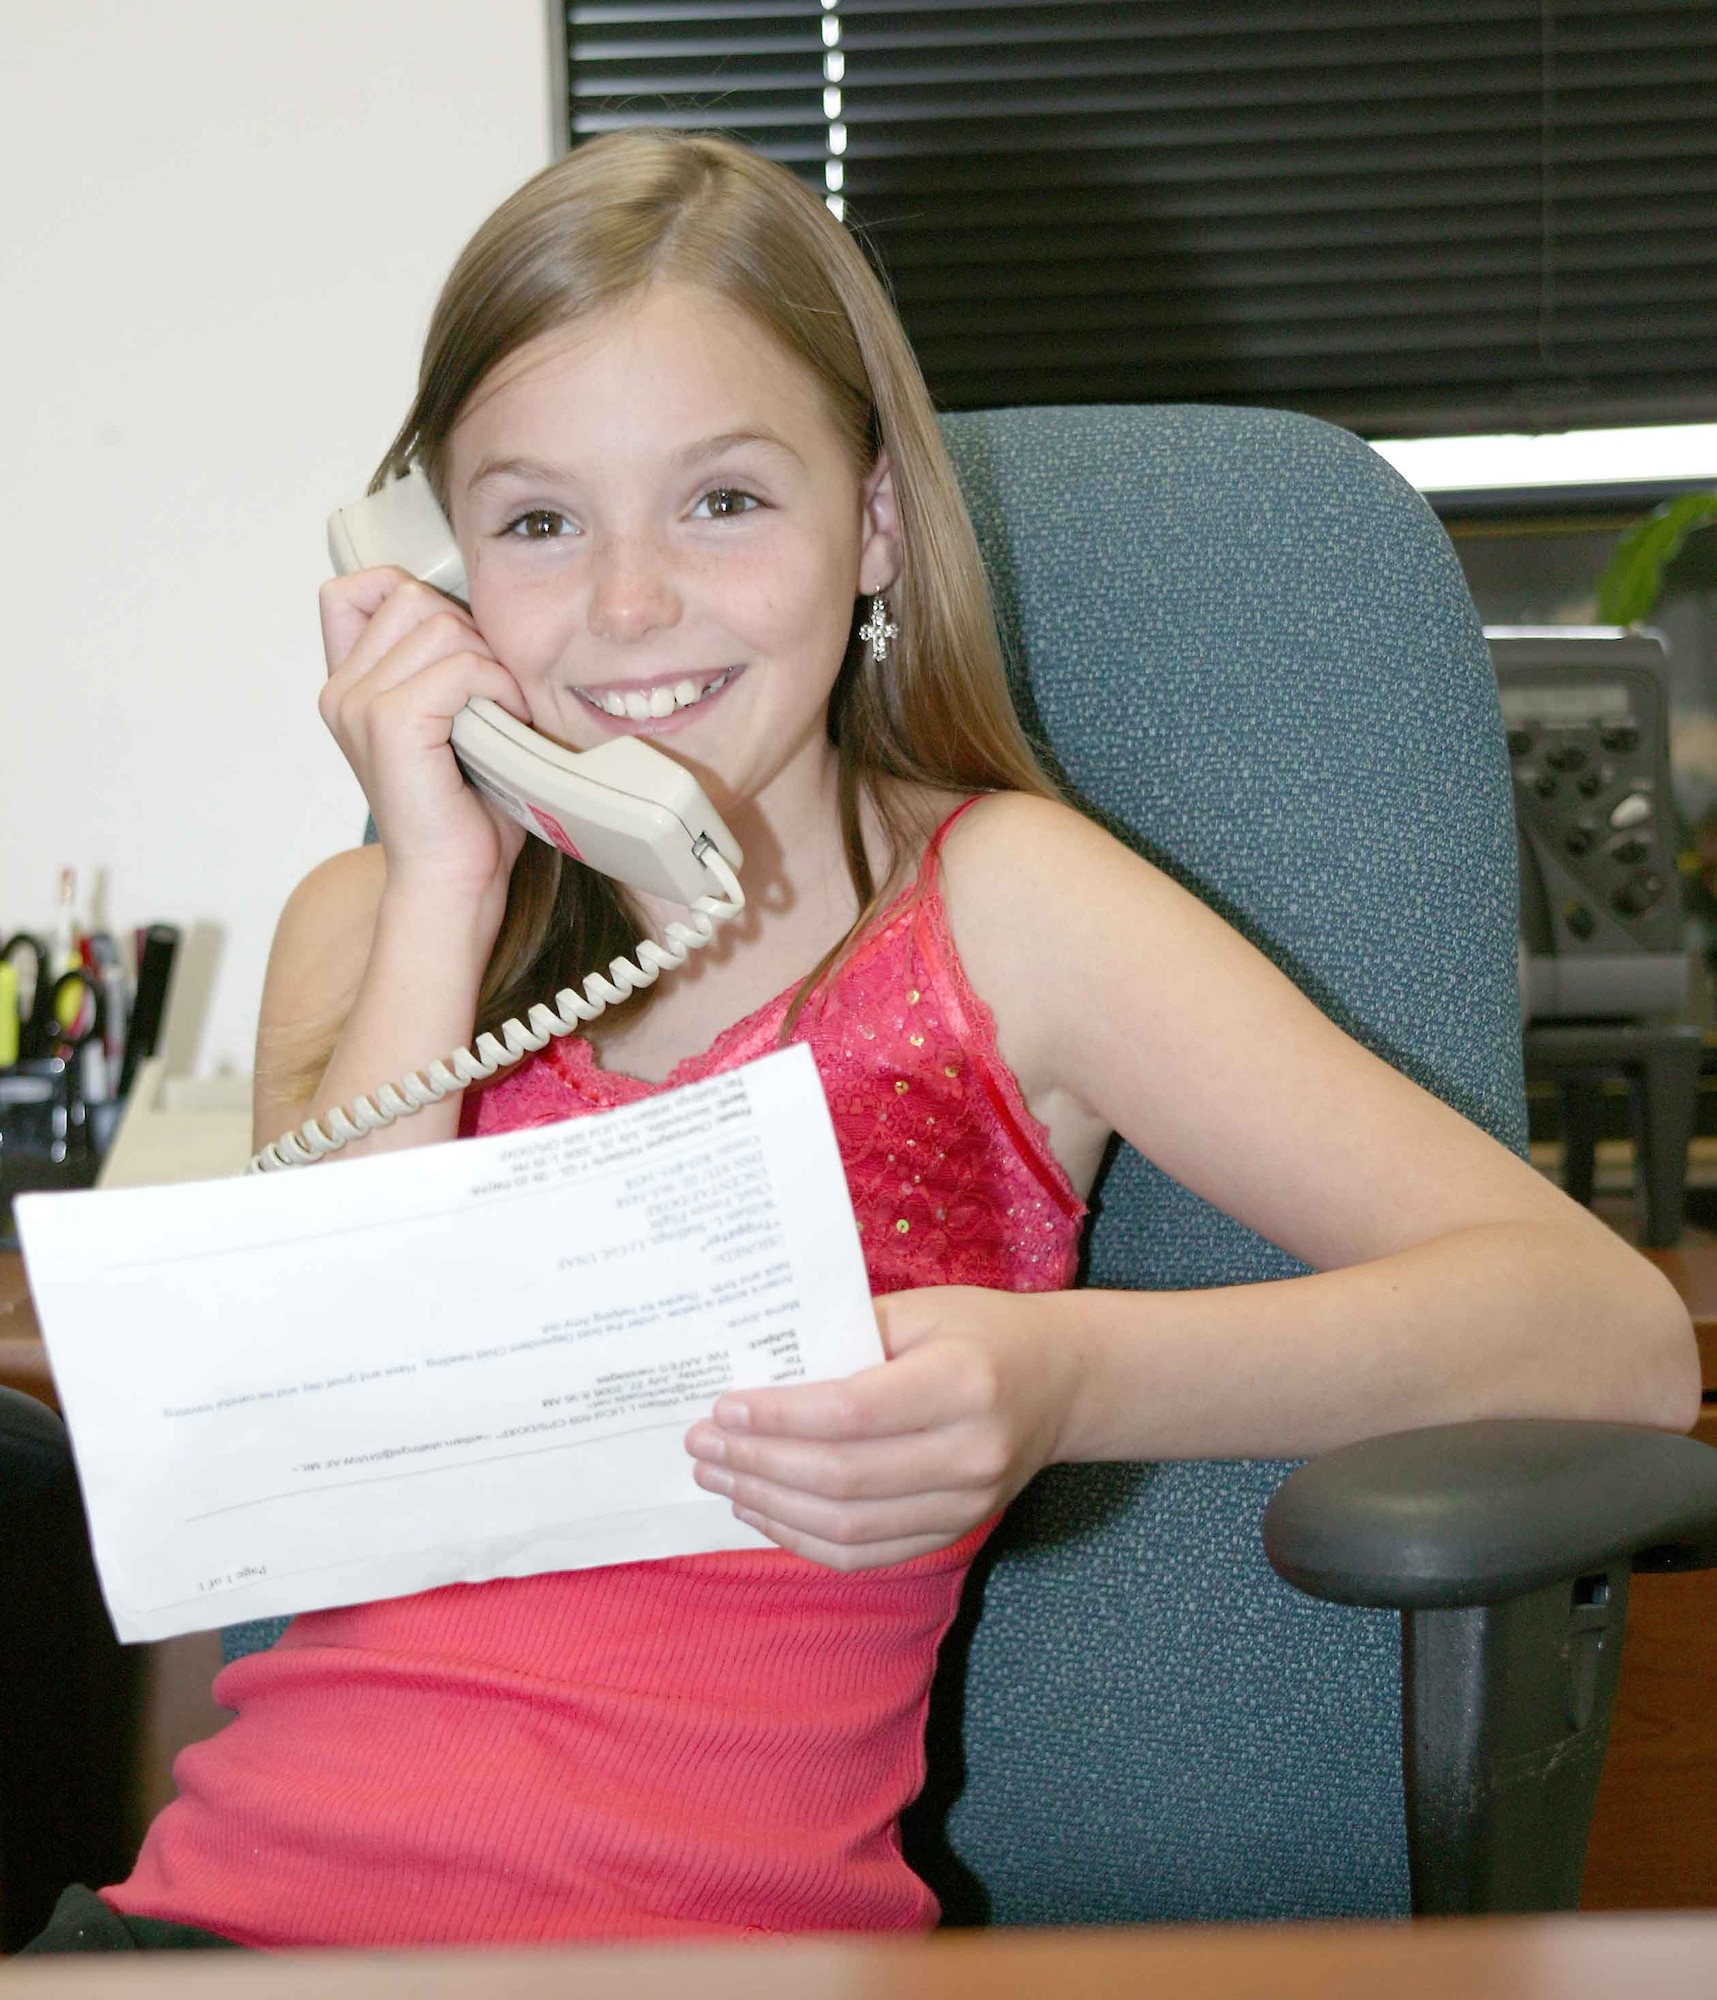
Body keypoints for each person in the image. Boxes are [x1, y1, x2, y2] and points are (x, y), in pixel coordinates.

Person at [27, 128, 1700, 1953]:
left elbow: (1603, 1337)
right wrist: (436, 872)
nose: (630, 602)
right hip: (215, 1934)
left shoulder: (1005, 914)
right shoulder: (366, 935)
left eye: (724, 500)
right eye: (534, 523)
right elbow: (308, 1468)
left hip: (703, 1948)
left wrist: (1061, 1381)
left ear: (875, 521)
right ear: (425, 571)